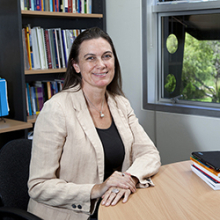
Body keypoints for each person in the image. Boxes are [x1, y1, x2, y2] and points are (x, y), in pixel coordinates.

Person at [27, 27, 161, 220]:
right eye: (90, 58)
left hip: (114, 207)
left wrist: (129, 177)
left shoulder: (120, 104)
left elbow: (149, 153)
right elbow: (38, 186)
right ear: (76, 66)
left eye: (107, 56)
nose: (101, 64)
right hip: (71, 214)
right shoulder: (56, 109)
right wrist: (97, 189)